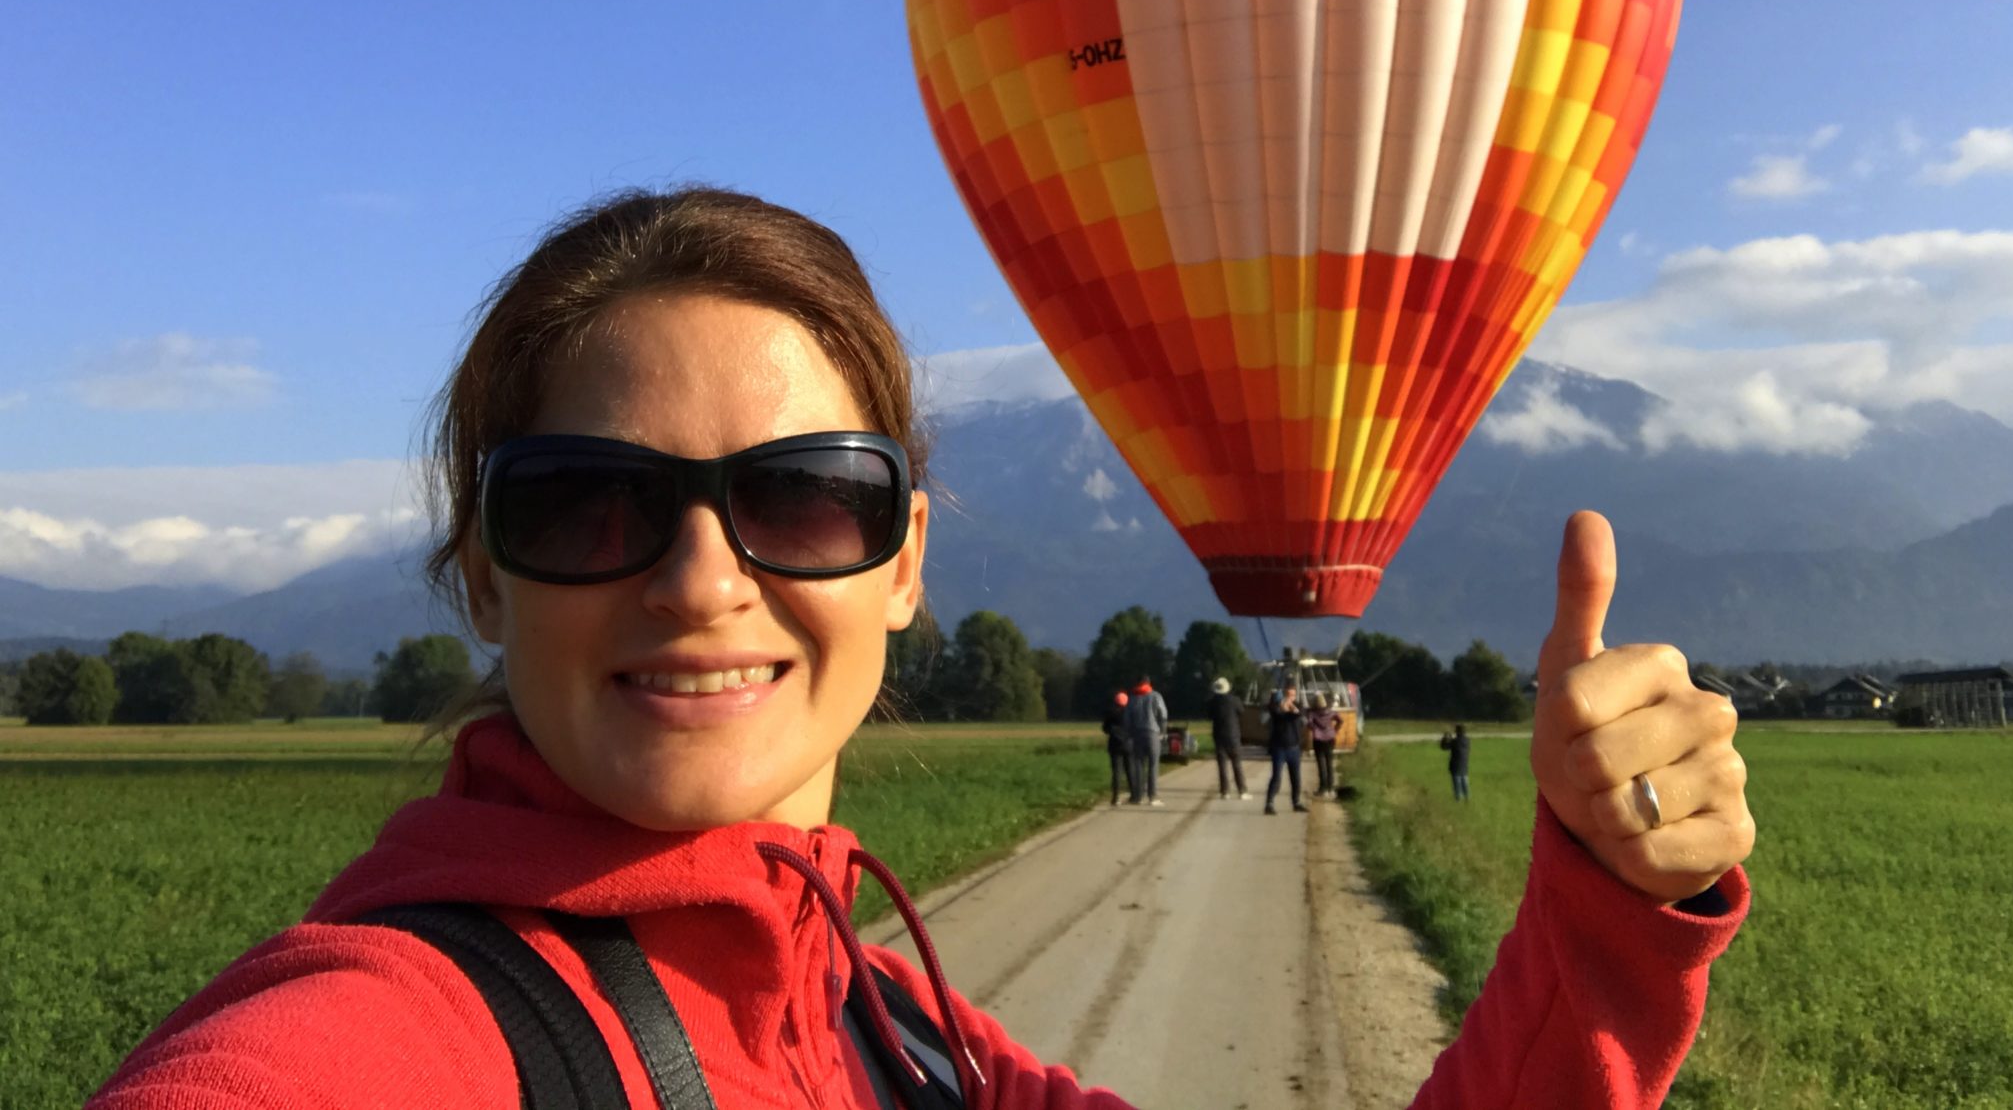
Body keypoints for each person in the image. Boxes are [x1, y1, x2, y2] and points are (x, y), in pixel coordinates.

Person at [87, 187, 1755, 1109]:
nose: (697, 577)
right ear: (479, 574)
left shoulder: (902, 1036)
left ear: (902, 562)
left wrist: (1608, 917)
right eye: (587, 501)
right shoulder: (395, 1030)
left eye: (804, 499)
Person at [1122, 677, 1168, 807]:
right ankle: (1152, 796)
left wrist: (1129, 734)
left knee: (1139, 765)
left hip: (1137, 735)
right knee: (1153, 765)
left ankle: (1138, 796)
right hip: (1152, 734)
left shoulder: (1132, 698)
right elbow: (1163, 714)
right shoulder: (1155, 696)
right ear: (1149, 684)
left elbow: (1127, 718)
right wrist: (1162, 731)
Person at [1264, 684, 1308, 814]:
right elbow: (1277, 714)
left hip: (1294, 747)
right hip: (1279, 748)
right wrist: (1283, 706)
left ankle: (1296, 802)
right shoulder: (1275, 708)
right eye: (1288, 695)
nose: (1290, 697)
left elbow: (1298, 715)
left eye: (1293, 695)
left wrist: (1291, 706)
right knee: (1276, 776)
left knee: (1296, 777)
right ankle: (1269, 804)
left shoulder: (1298, 706)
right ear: (1284, 694)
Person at [1204, 676, 1248, 800]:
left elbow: (1209, 716)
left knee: (1222, 765)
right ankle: (1242, 790)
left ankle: (1225, 791)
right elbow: (1241, 712)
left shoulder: (1212, 702)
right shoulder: (1234, 700)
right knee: (1236, 763)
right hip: (1233, 734)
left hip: (1218, 734)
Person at [1305, 692, 1340, 799]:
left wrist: (1314, 728)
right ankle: (1331, 788)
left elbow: (1309, 724)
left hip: (1318, 739)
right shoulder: (1331, 712)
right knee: (1329, 763)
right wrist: (1335, 730)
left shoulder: (1313, 713)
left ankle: (1323, 789)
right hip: (1330, 738)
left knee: (1321, 764)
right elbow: (1340, 720)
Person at [1102, 691, 1133, 806]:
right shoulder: (1130, 714)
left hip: (1114, 745)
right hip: (1128, 744)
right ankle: (1134, 795)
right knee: (1130, 770)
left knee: (1116, 772)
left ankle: (1116, 798)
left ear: (1115, 701)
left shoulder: (1110, 714)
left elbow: (1105, 729)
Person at [1441, 722, 1473, 802]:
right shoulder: (1467, 741)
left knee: (1457, 787)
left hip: (1455, 767)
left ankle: (1458, 801)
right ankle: (1467, 800)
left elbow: (1444, 747)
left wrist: (1445, 737)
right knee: (1465, 785)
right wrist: (1451, 738)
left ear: (1457, 731)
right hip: (1464, 767)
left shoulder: (1455, 741)